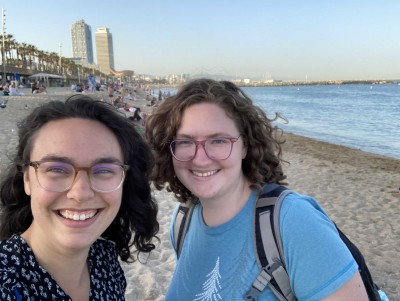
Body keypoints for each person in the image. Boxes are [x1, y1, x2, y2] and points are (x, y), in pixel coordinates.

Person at [145, 79, 369, 301]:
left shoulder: (293, 221)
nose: (201, 159)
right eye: (185, 142)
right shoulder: (182, 221)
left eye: (219, 141)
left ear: (245, 146)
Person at [0, 96, 159, 300]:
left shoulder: (105, 260)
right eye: (57, 169)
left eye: (103, 170)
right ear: (26, 180)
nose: (81, 193)